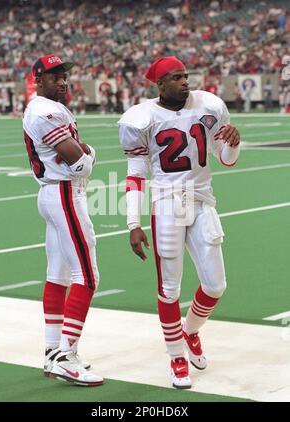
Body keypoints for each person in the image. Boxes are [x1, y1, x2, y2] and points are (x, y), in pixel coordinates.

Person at [118, 56, 240, 389]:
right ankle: (176, 356)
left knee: (216, 284)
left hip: (200, 201)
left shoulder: (210, 105)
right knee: (169, 288)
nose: (185, 82)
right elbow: (135, 174)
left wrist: (232, 143)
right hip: (168, 204)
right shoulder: (140, 118)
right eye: (176, 77)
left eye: (185, 75)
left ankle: (191, 330)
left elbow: (225, 160)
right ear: (160, 84)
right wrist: (133, 222)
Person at [22, 54, 103, 387]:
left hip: (53, 194)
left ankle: (52, 350)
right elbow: (81, 164)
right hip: (65, 194)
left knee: (57, 275)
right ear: (38, 81)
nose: (62, 81)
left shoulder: (45, 108)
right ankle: (65, 357)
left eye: (64, 75)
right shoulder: (46, 112)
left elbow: (75, 155)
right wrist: (90, 153)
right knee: (88, 275)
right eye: (54, 76)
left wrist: (82, 153)